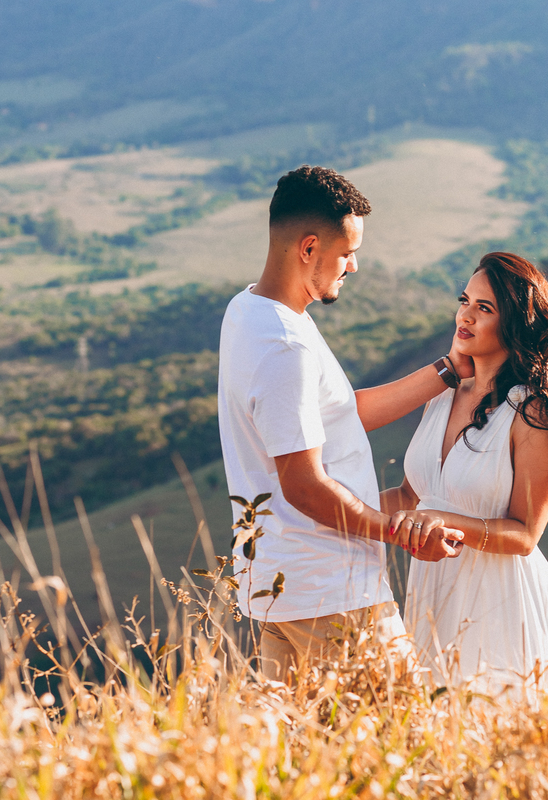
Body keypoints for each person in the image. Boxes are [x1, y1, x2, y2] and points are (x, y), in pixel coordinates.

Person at [217, 165, 470, 684]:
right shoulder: (284, 346)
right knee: (406, 738)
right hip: (331, 591)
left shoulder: (248, 311)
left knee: (314, 753)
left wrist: (445, 372)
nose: (353, 266)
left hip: (281, 590)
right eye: (346, 252)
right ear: (309, 248)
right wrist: (398, 531)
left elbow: (337, 413)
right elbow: (305, 486)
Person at [384, 252, 548, 703]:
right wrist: (327, 508)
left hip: (502, 605)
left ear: (517, 323)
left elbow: (524, 535)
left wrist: (445, 524)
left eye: (485, 308)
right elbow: (410, 496)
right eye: (465, 300)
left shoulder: (535, 411)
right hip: (433, 597)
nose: (466, 314)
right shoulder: (441, 397)